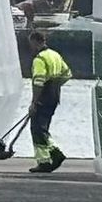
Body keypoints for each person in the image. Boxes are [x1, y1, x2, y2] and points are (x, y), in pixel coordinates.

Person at [27, 31, 72, 173]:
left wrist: (34, 102)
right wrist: (55, 84)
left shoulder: (39, 59)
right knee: (42, 127)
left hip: (43, 97)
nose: (30, 47)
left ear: (35, 42)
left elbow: (38, 82)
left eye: (31, 43)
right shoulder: (55, 55)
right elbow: (67, 74)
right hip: (54, 96)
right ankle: (47, 158)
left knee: (37, 129)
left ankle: (48, 158)